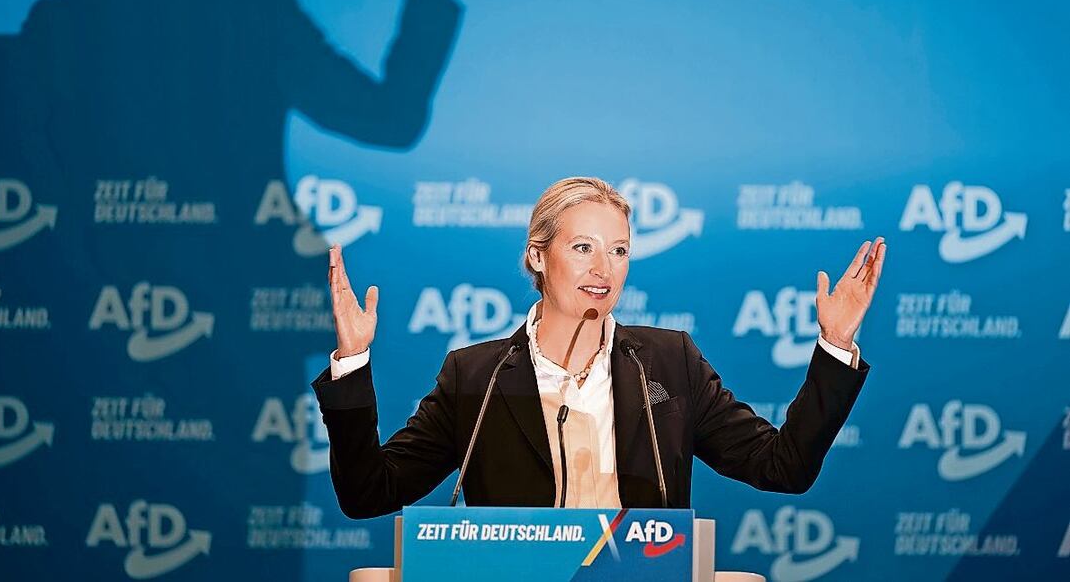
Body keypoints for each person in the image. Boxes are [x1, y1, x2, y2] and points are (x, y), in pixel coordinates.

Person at [312, 177, 885, 517]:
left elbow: (781, 466)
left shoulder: (669, 362)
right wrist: (355, 361)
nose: (603, 268)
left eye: (619, 250)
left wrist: (835, 344)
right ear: (538, 256)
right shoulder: (477, 377)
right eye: (583, 246)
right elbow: (370, 493)